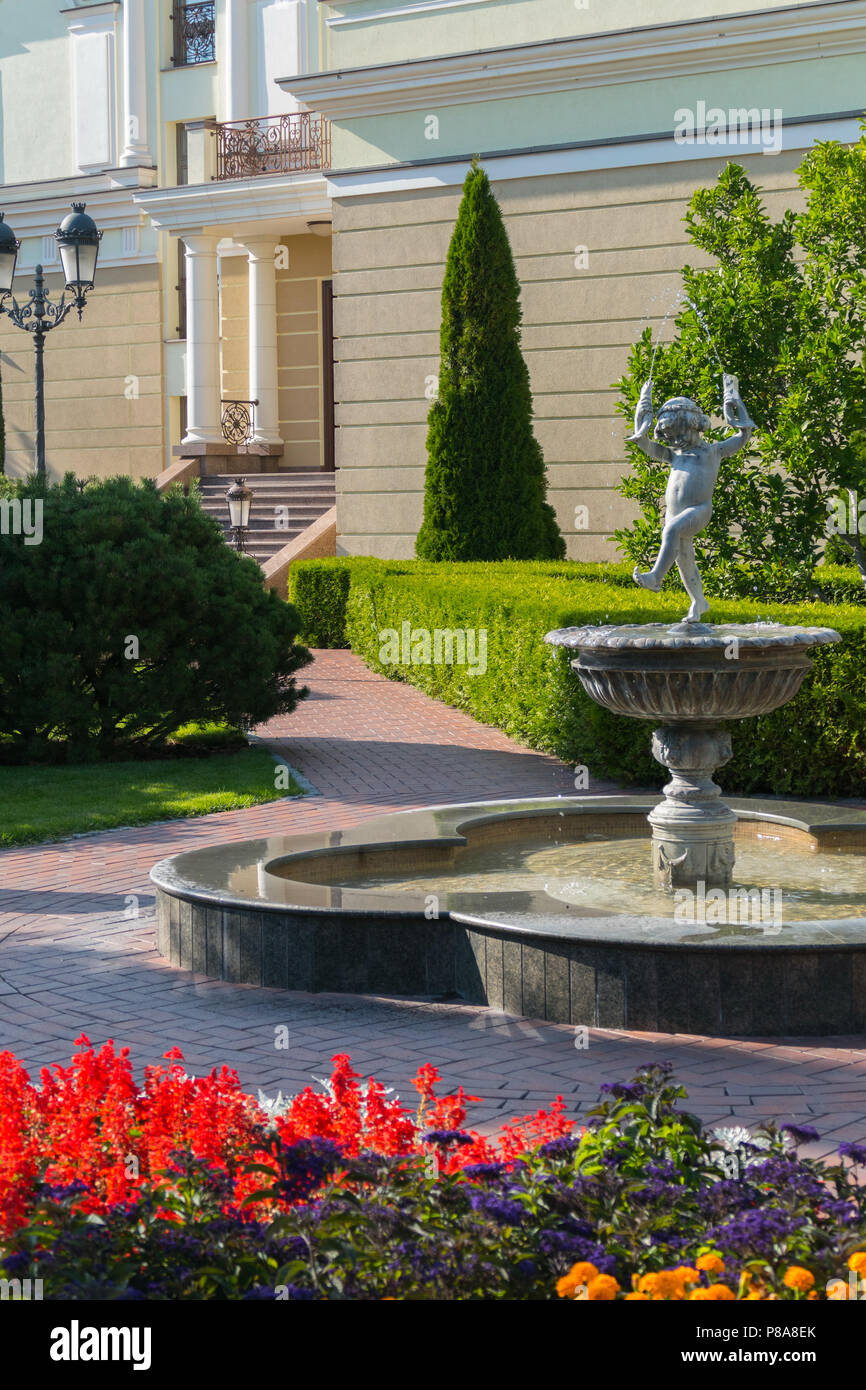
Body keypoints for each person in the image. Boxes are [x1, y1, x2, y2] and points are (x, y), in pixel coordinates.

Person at [627, 374, 754, 621]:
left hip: (699, 509)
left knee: (672, 532)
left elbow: (742, 436)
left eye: (678, 434)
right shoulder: (675, 453)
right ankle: (699, 602)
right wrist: (641, 413)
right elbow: (643, 443)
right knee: (684, 560)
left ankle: (655, 578)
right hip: (675, 513)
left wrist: (734, 403)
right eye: (670, 436)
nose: (674, 440)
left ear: (693, 424)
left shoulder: (713, 451)